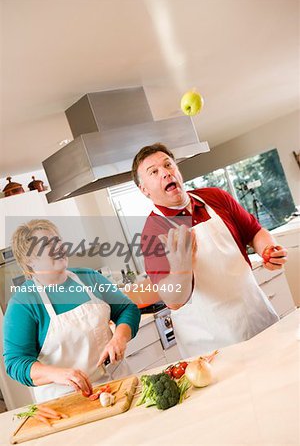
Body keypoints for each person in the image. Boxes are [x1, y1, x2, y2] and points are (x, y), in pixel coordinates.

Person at [131, 143, 288, 357]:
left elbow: (254, 232)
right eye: (154, 172)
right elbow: (173, 301)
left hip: (258, 318)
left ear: (178, 170)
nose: (165, 173)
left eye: (168, 165)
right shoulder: (153, 232)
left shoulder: (215, 197)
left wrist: (267, 249)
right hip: (213, 345)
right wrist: (180, 267)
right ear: (144, 190)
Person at [3, 219, 140, 403]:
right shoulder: (24, 303)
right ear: (29, 260)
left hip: (118, 383)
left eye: (57, 241)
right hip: (67, 399)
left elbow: (127, 309)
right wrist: (56, 374)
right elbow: (16, 362)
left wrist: (119, 338)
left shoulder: (89, 278)